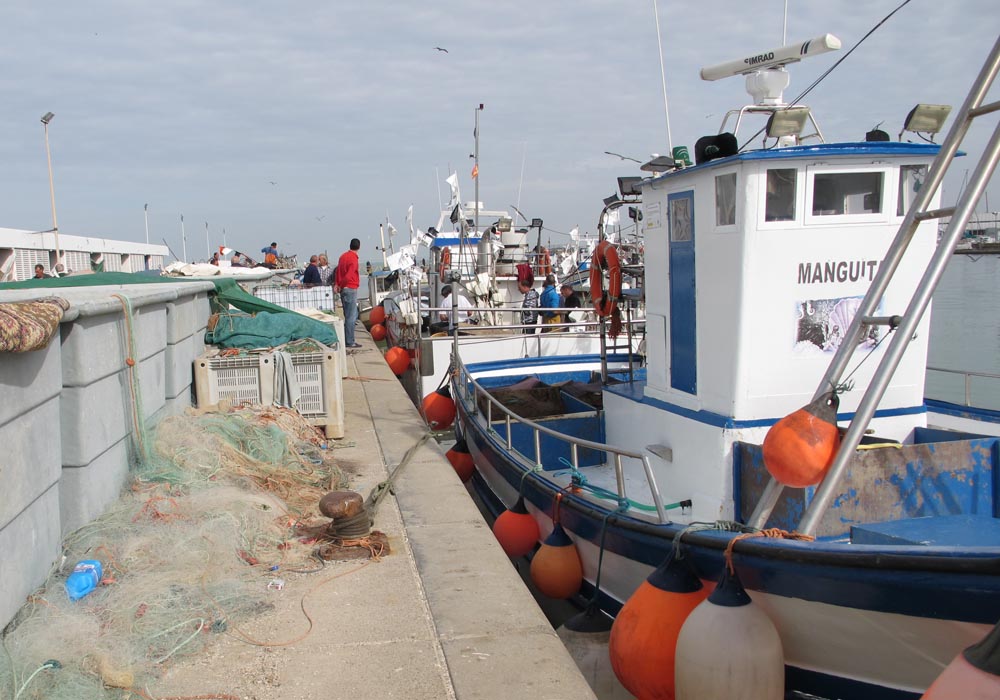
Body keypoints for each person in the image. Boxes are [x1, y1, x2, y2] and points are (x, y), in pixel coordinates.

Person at [335, 238, 362, 348]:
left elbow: (338, 271)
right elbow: (349, 274)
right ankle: (350, 341)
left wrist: (337, 284)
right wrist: (342, 284)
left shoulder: (342, 257)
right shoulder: (354, 259)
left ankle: (346, 338)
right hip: (350, 287)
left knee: (347, 315)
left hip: (343, 289)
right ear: (359, 247)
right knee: (352, 316)